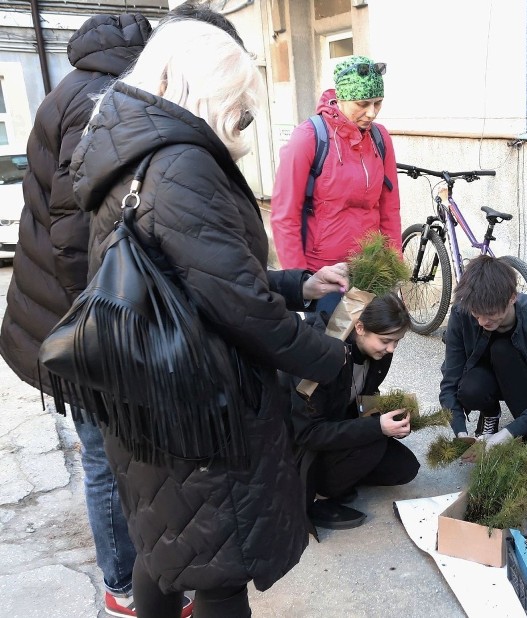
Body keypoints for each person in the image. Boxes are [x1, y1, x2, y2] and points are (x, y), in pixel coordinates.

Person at [69, 19, 349, 618]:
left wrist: (300, 282)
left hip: (149, 385)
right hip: (199, 403)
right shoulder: (182, 163)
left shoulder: (129, 149)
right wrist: (330, 358)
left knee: (164, 544)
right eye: (239, 103)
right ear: (208, 92)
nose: (243, 117)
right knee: (220, 569)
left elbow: (189, 278)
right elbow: (238, 304)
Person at [0, 14, 164, 618]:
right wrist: (96, 318)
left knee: (107, 453)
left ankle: (130, 575)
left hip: (52, 311)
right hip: (75, 318)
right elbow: (73, 235)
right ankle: (122, 583)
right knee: (104, 456)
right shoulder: (103, 97)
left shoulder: (71, 88)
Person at [270, 55, 402, 316]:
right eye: (363, 104)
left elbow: (389, 208)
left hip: (369, 270)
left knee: (376, 350)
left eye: (378, 103)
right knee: (330, 350)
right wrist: (301, 283)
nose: (372, 112)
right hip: (324, 274)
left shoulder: (380, 138)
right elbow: (285, 216)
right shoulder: (308, 137)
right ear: (341, 99)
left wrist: (393, 264)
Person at [290, 293, 420, 530]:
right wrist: (376, 427)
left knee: (405, 468)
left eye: (397, 342)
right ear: (359, 327)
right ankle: (320, 493)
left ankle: (341, 476)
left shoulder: (376, 354)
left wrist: (390, 419)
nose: (391, 349)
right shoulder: (322, 357)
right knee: (375, 442)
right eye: (385, 341)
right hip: (303, 452)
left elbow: (360, 395)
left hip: (337, 429)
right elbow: (307, 433)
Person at [440, 256, 527, 448]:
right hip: (487, 378)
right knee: (469, 389)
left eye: (489, 314)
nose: (481, 322)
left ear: (512, 297)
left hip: (526, 382)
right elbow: (449, 382)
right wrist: (460, 432)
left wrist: (509, 433)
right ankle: (490, 412)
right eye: (476, 314)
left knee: (502, 350)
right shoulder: (462, 312)